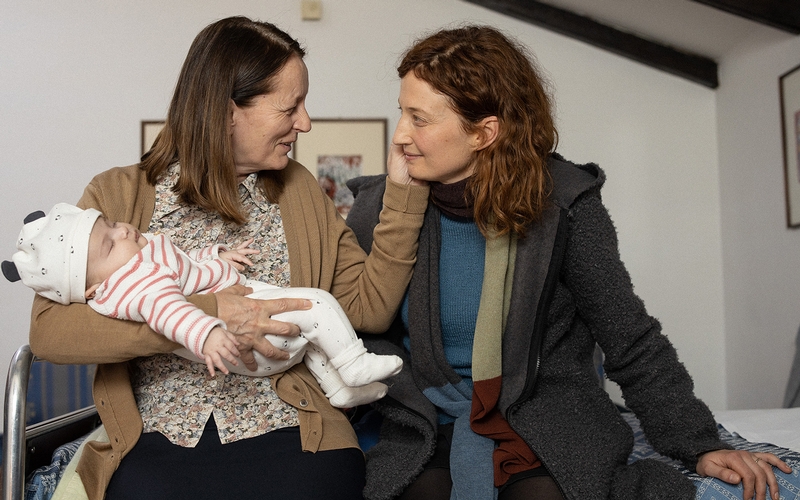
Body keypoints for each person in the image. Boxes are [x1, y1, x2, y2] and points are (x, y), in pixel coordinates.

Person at [344, 25, 793, 500]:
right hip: (425, 417)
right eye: (402, 112)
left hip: (544, 416)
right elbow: (354, 329)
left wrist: (699, 443)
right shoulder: (379, 205)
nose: (401, 135)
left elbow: (629, 337)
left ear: (484, 132)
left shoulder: (564, 204)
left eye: (419, 119)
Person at [26, 16, 428, 500]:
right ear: (226, 111)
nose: (305, 123)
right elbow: (51, 333)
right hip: (156, 433)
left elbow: (369, 307)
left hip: (293, 424)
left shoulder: (298, 190)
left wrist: (403, 194)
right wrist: (205, 316)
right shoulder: (118, 197)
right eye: (290, 107)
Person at [4, 203, 402, 408]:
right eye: (109, 243)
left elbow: (185, 267)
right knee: (317, 306)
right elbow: (168, 311)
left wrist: (217, 257)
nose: (122, 230)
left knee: (310, 339)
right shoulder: (134, 282)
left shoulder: (132, 260)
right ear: (92, 289)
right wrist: (209, 330)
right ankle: (353, 365)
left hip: (252, 330)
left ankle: (338, 389)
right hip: (242, 346)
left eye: (111, 224)